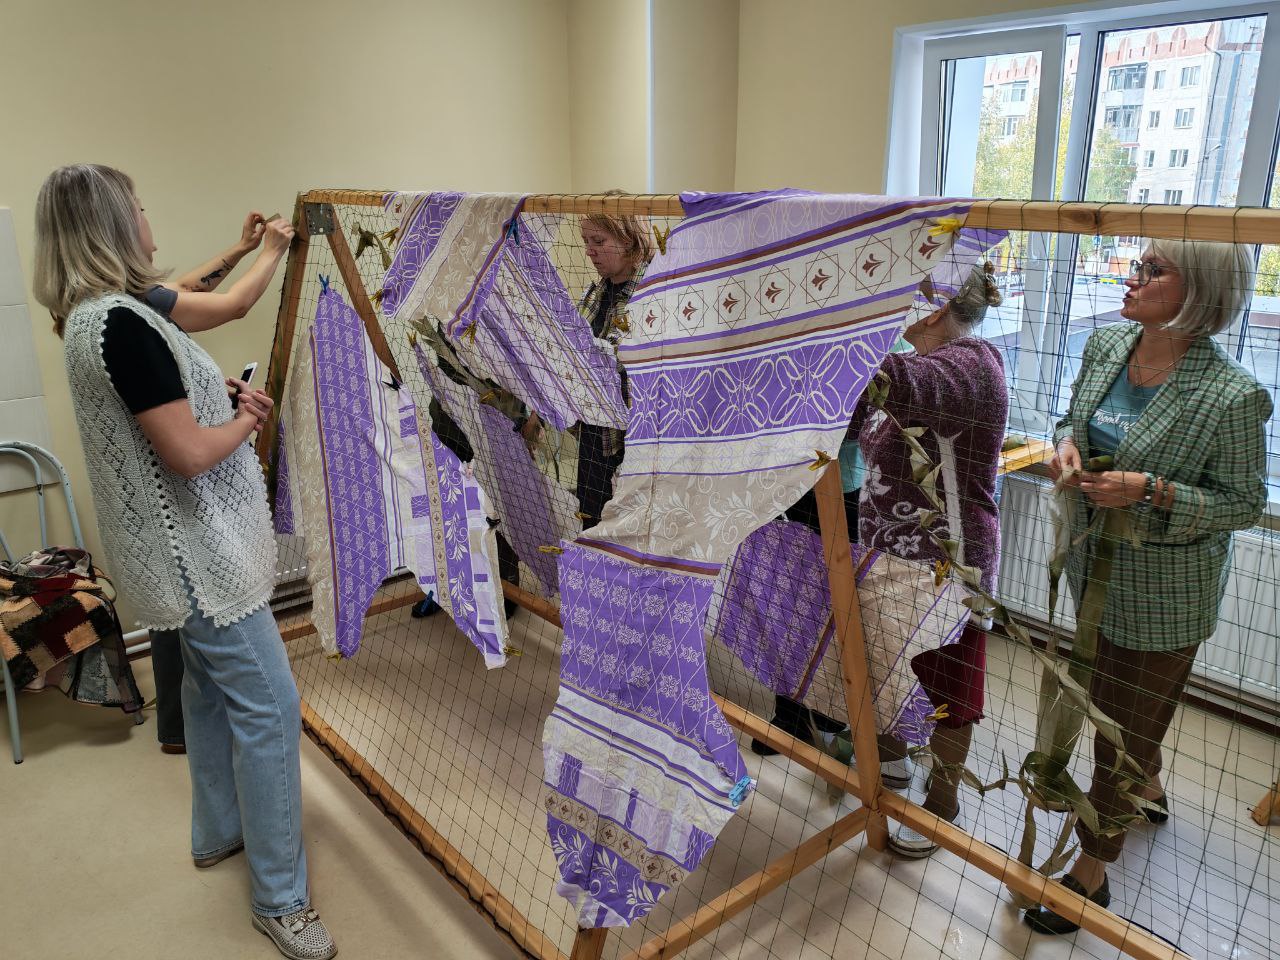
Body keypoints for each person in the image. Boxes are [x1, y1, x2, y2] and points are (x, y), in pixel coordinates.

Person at [34, 163, 337, 960]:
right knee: (270, 709)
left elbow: (195, 313)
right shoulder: (123, 325)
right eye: (136, 206)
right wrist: (246, 418)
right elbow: (189, 454)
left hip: (168, 562)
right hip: (197, 561)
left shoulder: (95, 316)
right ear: (111, 224)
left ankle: (218, 831)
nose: (147, 216)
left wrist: (246, 255)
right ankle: (281, 901)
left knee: (205, 694)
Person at [1025, 241, 1272, 935]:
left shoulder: (1231, 395)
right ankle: (1150, 786)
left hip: (1166, 593)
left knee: (1121, 734)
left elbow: (1244, 503)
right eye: (1138, 263)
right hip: (1093, 569)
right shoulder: (1107, 345)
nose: (1131, 277)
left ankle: (1092, 872)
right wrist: (1065, 447)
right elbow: (1072, 419)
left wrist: (1152, 490)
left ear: (1200, 292)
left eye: (1153, 270)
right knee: (1119, 702)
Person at [851, 262, 1008, 858]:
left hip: (948, 564)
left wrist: (843, 329)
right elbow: (861, 411)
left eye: (903, 290)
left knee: (948, 690)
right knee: (889, 669)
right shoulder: (922, 360)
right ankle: (893, 769)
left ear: (935, 305)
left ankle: (942, 805)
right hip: (889, 556)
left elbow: (898, 383)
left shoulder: (970, 366)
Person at [573, 201, 654, 527]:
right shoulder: (595, 293)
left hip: (632, 444)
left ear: (629, 241)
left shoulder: (651, 294)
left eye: (598, 241)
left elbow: (625, 360)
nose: (590, 252)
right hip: (594, 438)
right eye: (586, 242)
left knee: (625, 529)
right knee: (591, 521)